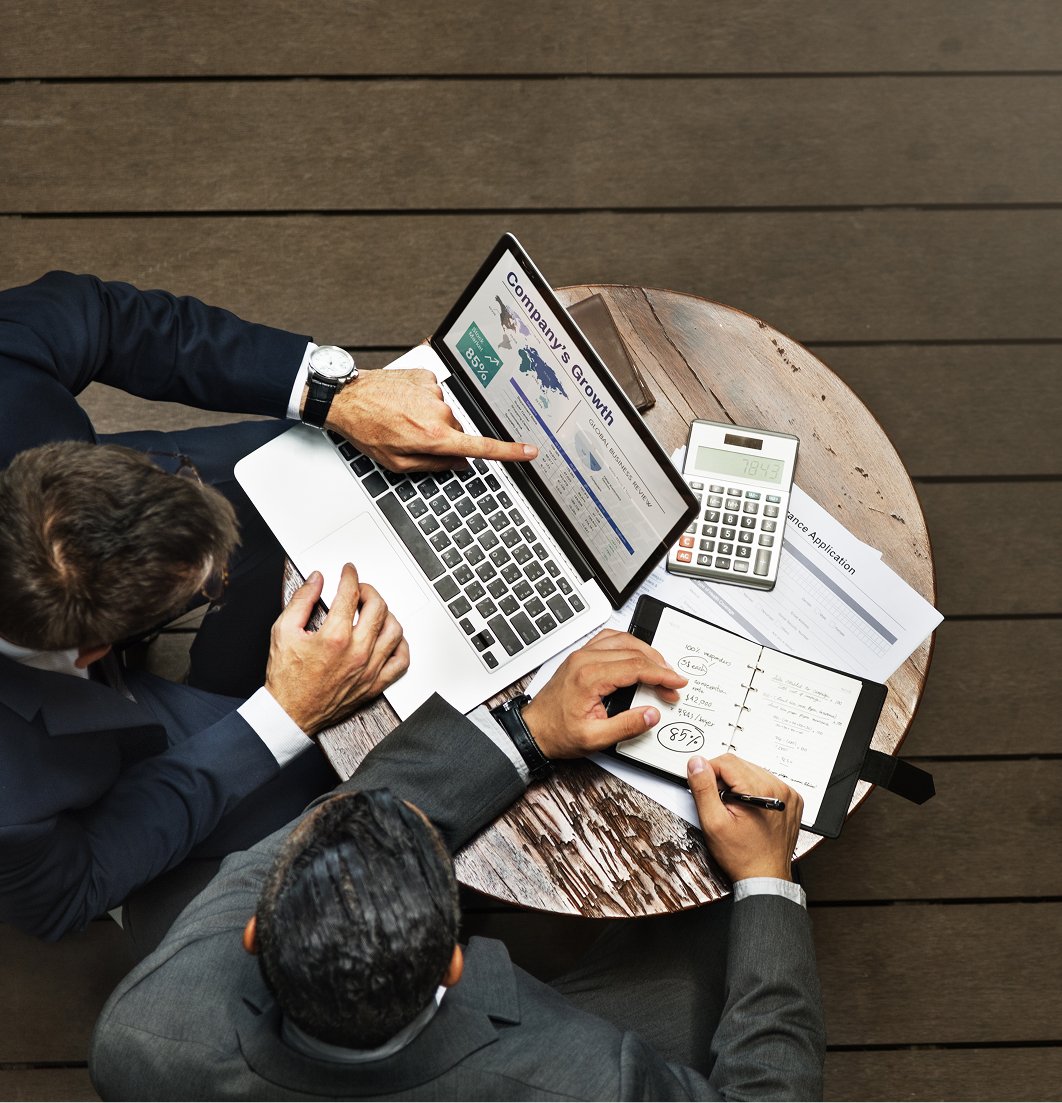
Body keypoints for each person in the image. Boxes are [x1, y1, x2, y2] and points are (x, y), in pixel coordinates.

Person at [0, 270, 537, 945]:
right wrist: (284, 714)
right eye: (206, 584)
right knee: (345, 758)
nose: (221, 574)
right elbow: (66, 889)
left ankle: (231, 670)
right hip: (64, 751)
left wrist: (329, 393)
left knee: (302, 460)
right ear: (93, 650)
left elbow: (107, 317)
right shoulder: (10, 805)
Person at [90, 631, 826, 1101]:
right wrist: (767, 877)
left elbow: (320, 827)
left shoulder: (141, 1033)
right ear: (453, 963)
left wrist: (529, 731)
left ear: (251, 931)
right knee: (709, 921)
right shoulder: (584, 1078)